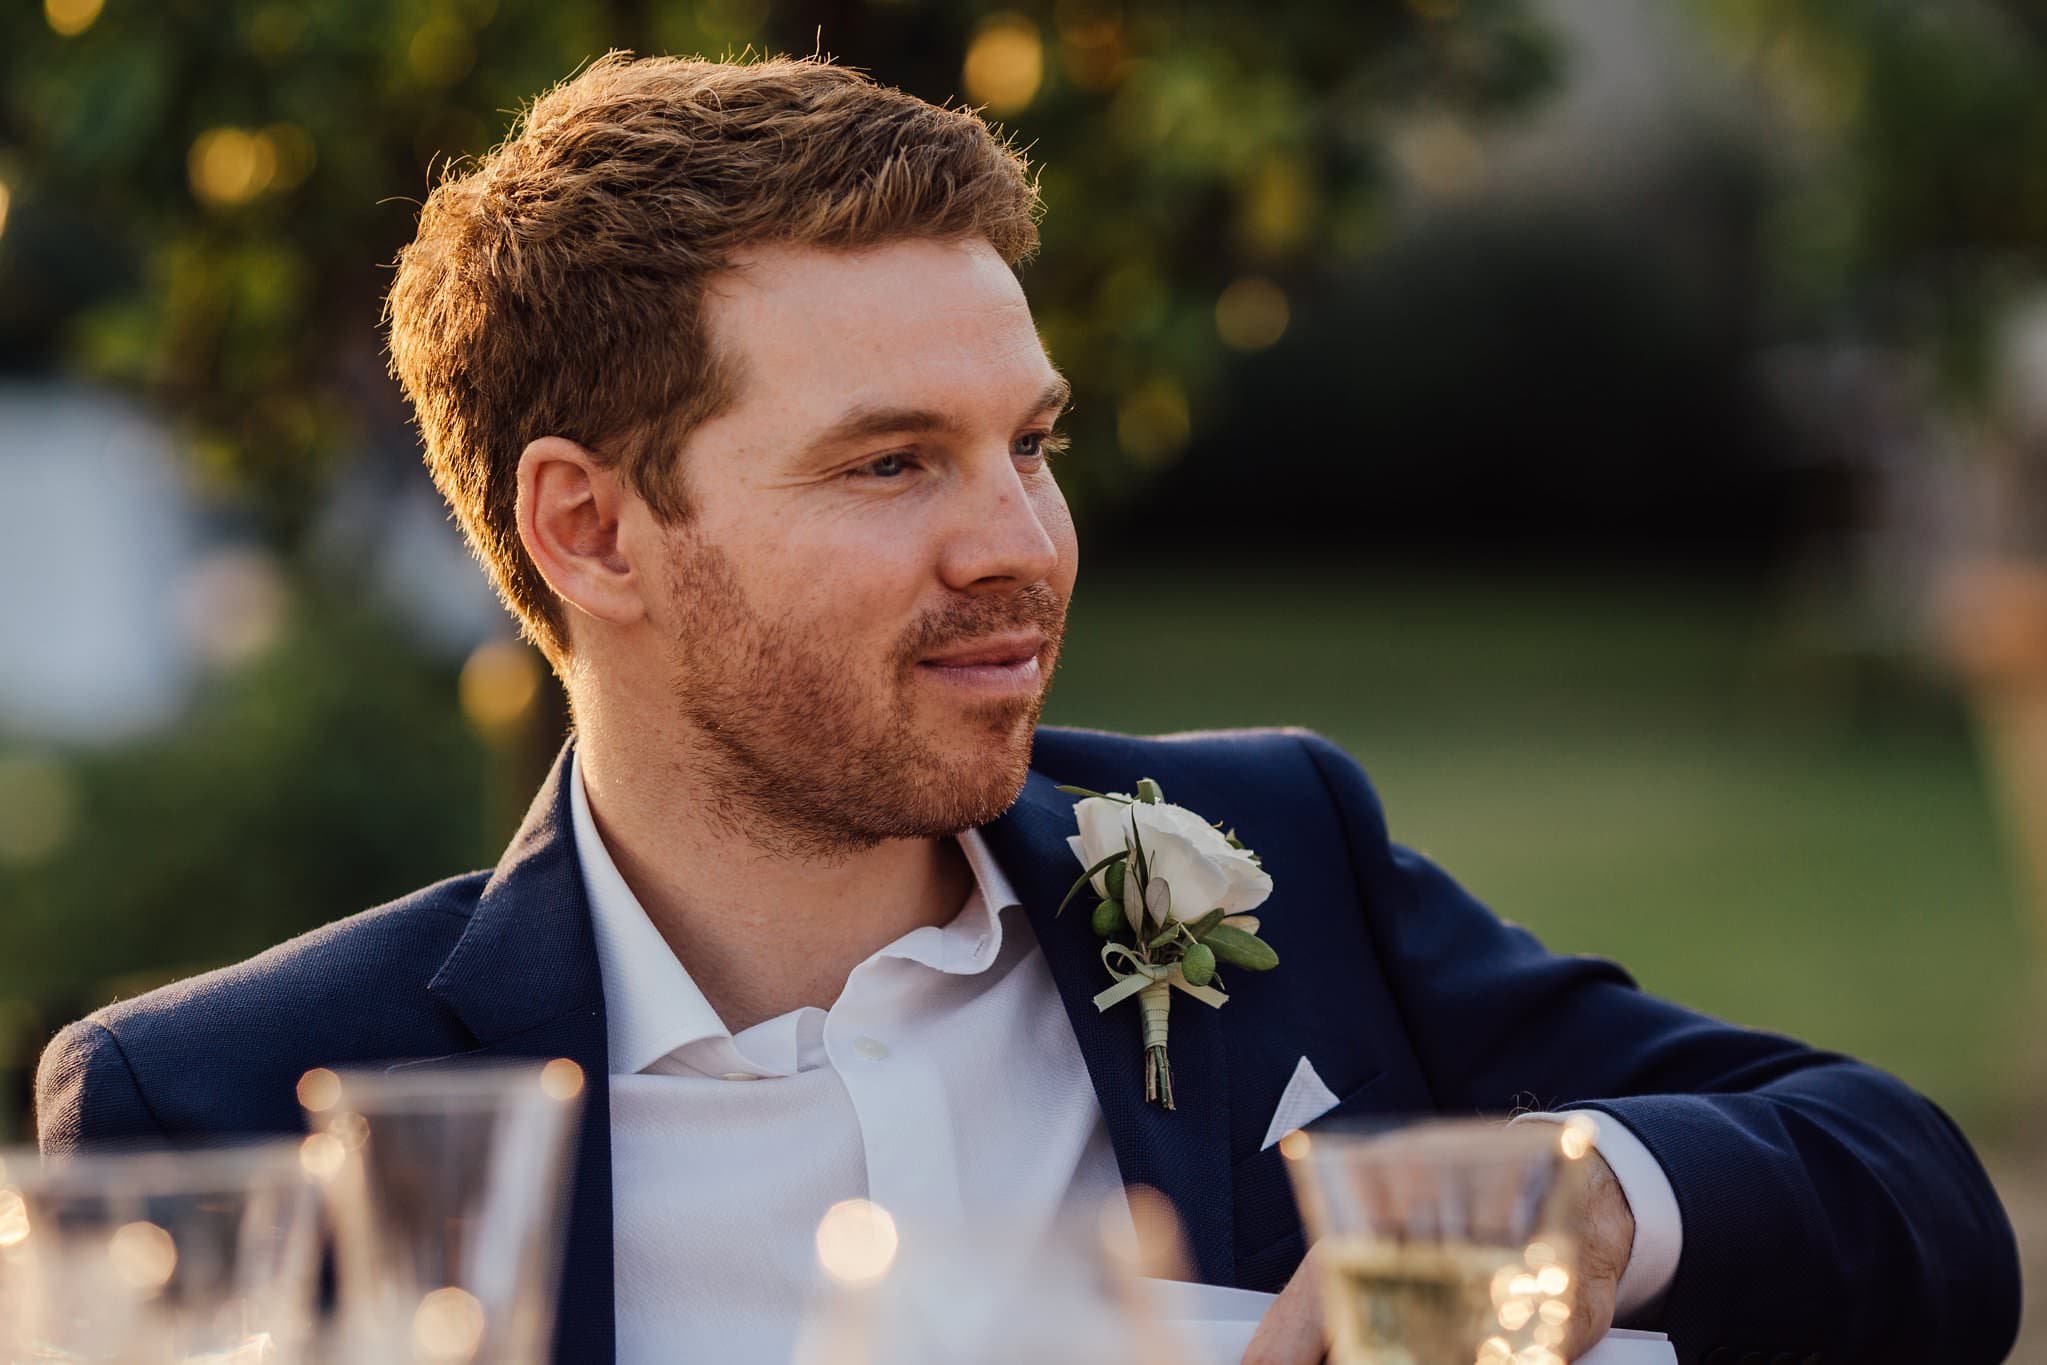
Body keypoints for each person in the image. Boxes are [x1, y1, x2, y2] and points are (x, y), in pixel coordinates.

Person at [35, 54, 2020, 1365]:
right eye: (892, 461)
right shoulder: (238, 1108)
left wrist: (1581, 1188)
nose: (1021, 544)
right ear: (591, 527)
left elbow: (1916, 1200)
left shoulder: (1265, 860)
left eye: (1030, 443)